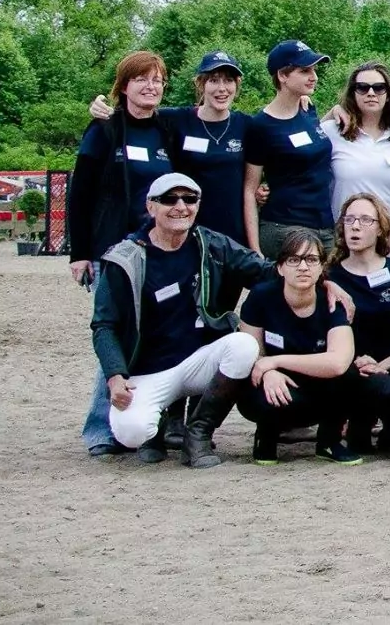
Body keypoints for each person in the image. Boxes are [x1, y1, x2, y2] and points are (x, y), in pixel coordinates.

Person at [93, 174, 295, 467]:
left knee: (243, 346)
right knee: (131, 433)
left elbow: (262, 271)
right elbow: (103, 325)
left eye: (189, 199)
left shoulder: (211, 244)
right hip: (147, 370)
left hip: (197, 361)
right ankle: (157, 429)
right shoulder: (125, 259)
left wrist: (320, 280)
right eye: (169, 199)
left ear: (198, 206)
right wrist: (114, 376)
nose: (180, 207)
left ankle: (198, 432)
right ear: (150, 206)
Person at [85, 51, 254, 249]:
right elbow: (136, 112)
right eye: (214, 80)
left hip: (234, 234)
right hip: (185, 234)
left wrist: (261, 188)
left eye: (229, 81)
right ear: (201, 84)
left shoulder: (247, 125)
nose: (222, 88)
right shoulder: (175, 120)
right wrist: (100, 108)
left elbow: (270, 156)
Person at [236, 230, 363, 465]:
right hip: (275, 385)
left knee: (351, 375)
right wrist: (269, 371)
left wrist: (276, 361)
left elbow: (338, 362)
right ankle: (266, 436)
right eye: (294, 260)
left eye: (311, 259)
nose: (303, 267)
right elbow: (249, 350)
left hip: (316, 385)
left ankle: (329, 441)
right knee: (257, 385)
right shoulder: (261, 297)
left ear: (321, 267)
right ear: (280, 267)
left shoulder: (332, 302)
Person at [323, 192, 390, 458]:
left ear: (380, 228)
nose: (355, 226)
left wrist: (382, 365)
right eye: (350, 219)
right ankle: (356, 423)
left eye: (365, 220)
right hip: (351, 368)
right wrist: (356, 363)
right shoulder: (330, 276)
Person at [69, 51, 177, 286]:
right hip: (111, 248)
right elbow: (79, 194)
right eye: (141, 79)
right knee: (112, 310)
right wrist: (79, 253)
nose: (150, 86)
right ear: (124, 87)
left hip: (159, 249)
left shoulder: (168, 130)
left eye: (157, 80)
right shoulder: (104, 129)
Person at [321, 62, 390, 262]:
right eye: (362, 87)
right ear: (352, 93)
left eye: (378, 88)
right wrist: (332, 112)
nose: (371, 93)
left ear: (389, 94)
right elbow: (303, 150)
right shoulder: (332, 132)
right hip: (345, 248)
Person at [242, 40, 336, 255]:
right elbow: (249, 190)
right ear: (282, 76)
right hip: (285, 228)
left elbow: (311, 143)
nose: (314, 77)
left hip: (324, 227)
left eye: (314, 70)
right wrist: (255, 250)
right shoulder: (262, 126)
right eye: (305, 71)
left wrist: (335, 111)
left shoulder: (308, 109)